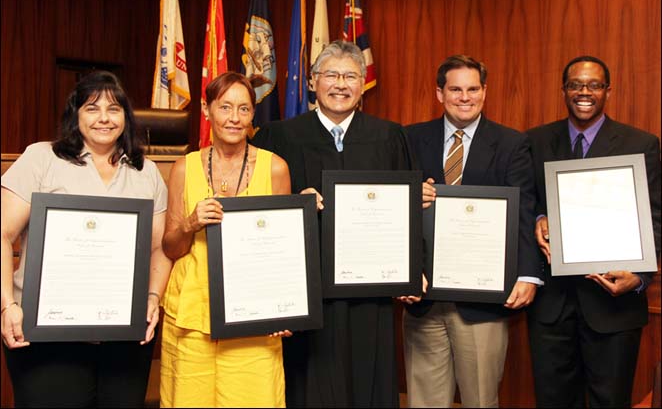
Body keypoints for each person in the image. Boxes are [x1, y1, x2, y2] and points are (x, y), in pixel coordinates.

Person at [252, 40, 414, 408]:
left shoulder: (389, 136)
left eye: (351, 76)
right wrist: (297, 200)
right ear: (312, 82)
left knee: (368, 381)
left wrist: (410, 268)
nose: (341, 84)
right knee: (311, 385)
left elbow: (407, 210)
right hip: (309, 286)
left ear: (362, 84)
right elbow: (259, 209)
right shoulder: (280, 137)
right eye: (331, 75)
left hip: (371, 288)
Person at [0, 70, 171, 408]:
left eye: (114, 109)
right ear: (74, 114)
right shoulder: (41, 159)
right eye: (92, 108)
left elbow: (159, 248)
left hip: (123, 336)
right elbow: (3, 234)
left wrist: (153, 298)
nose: (104, 118)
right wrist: (8, 305)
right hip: (46, 336)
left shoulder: (146, 172)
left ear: (127, 116)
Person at [402, 55, 540, 408]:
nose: (465, 97)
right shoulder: (409, 139)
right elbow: (392, 212)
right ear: (439, 93)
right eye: (455, 89)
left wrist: (527, 274)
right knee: (424, 401)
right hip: (424, 297)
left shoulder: (511, 143)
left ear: (484, 92)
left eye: (473, 89)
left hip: (484, 301)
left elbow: (524, 211)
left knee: (480, 399)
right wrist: (408, 195)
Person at [526, 55, 661, 408]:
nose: (584, 92)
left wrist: (642, 275)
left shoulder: (641, 144)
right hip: (551, 307)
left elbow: (656, 216)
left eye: (594, 85)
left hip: (614, 306)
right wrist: (539, 216)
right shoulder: (535, 141)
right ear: (564, 90)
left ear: (607, 92)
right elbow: (525, 202)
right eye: (575, 85)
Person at [159, 71, 292, 408]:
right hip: (192, 316)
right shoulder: (183, 169)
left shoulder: (275, 168)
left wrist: (285, 310)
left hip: (253, 320)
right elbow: (171, 247)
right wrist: (190, 224)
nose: (234, 118)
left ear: (253, 115)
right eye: (225, 107)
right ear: (207, 110)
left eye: (244, 109)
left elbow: (284, 251)